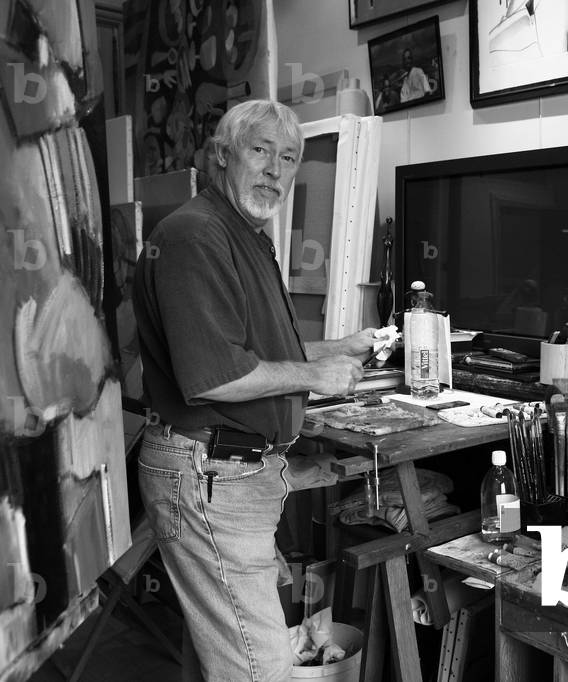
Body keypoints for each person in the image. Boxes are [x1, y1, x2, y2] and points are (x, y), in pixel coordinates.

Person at [133, 99, 378, 681]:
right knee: (259, 666)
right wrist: (316, 376)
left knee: (222, 650)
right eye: (259, 150)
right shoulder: (195, 236)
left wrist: (336, 347)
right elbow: (216, 375)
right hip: (206, 476)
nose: (274, 170)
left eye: (287, 157)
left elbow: (249, 351)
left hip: (231, 473)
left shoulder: (248, 237)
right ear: (223, 156)